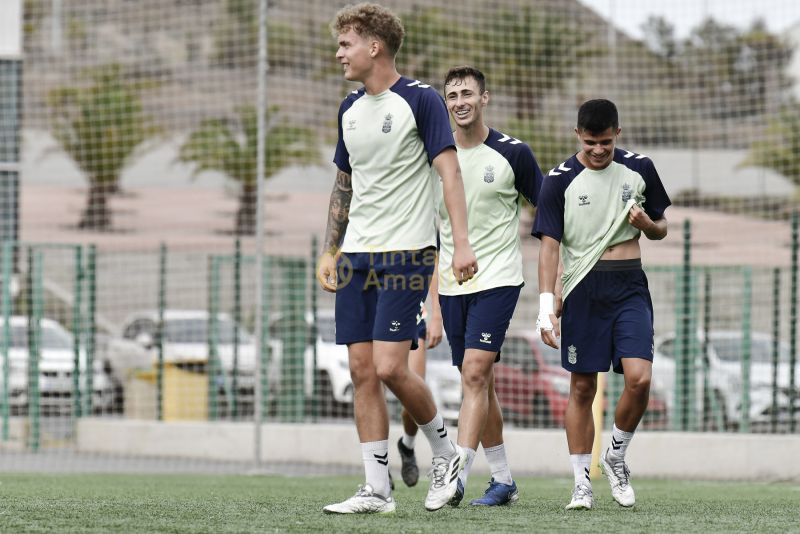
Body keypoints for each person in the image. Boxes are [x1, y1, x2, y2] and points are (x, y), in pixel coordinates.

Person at [316, 3, 478, 514]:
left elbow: (449, 174)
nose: (339, 52)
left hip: (408, 251)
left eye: (346, 43)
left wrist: (462, 244)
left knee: (390, 368)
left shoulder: (422, 101)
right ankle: (376, 490)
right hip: (356, 255)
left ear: (374, 46)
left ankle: (445, 453)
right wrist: (330, 246)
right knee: (362, 370)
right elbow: (343, 183)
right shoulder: (347, 109)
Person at [533, 99, 671, 510]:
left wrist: (648, 225)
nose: (598, 150)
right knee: (581, 386)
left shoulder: (640, 168)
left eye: (606, 143)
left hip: (629, 286)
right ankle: (580, 483)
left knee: (640, 379)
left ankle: (615, 455)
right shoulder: (558, 181)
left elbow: (661, 226)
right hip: (582, 289)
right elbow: (549, 249)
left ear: (618, 135)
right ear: (578, 134)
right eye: (591, 142)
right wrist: (545, 306)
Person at [436, 66, 544, 507]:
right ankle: (503, 480)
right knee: (478, 382)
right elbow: (432, 227)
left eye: (467, 93)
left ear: (485, 98)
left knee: (476, 373)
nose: (459, 101)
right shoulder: (436, 156)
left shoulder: (513, 153)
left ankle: (454, 477)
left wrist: (555, 283)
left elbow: (548, 211)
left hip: (498, 278)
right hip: (448, 283)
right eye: (452, 95)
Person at [396, 289, 444, 488]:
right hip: (371, 306)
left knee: (412, 398)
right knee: (372, 390)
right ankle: (377, 469)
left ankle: (407, 446)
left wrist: (437, 316)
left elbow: (431, 261)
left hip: (409, 312)